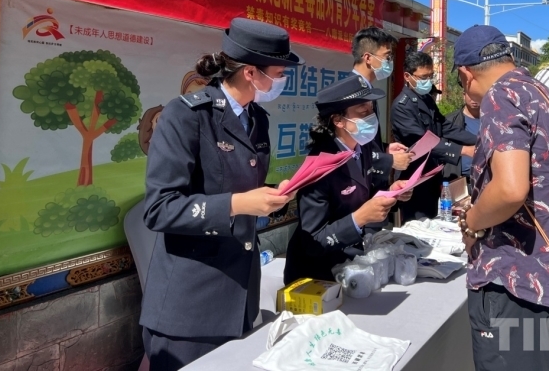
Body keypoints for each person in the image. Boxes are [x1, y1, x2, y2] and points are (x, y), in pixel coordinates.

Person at [140, 18, 299, 371]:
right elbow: (159, 208)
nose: (282, 82)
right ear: (250, 73)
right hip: (192, 304)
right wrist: (238, 204)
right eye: (278, 74)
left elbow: (242, 185)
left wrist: (271, 197)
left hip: (240, 293)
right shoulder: (186, 115)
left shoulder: (257, 118)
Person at [454, 25, 549, 371]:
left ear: (466, 74)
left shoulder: (500, 96)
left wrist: (472, 223)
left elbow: (510, 189)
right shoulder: (548, 96)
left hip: (513, 277)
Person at [284, 75, 413, 283]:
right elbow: (314, 241)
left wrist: (392, 193)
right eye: (363, 112)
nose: (371, 117)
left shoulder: (363, 148)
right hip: (317, 275)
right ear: (338, 121)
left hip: (352, 265)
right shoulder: (319, 166)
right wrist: (359, 218)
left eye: (372, 110)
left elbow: (364, 194)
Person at [390, 51, 476, 220]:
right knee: (418, 226)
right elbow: (422, 141)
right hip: (413, 178)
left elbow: (444, 126)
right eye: (423, 77)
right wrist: (463, 150)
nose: (428, 81)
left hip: (432, 173)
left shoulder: (425, 99)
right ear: (407, 76)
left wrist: (478, 140)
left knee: (434, 220)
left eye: (431, 76)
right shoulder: (402, 106)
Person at [351, 27, 413, 181]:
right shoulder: (352, 93)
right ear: (368, 58)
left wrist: (384, 148)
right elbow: (349, 150)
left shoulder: (366, 89)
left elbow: (364, 140)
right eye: (387, 56)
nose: (390, 62)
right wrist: (389, 160)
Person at [443, 88, 481, 192]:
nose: (473, 98)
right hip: (457, 182)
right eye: (470, 94)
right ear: (463, 95)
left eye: (477, 94)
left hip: (485, 182)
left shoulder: (492, 121)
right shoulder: (449, 121)